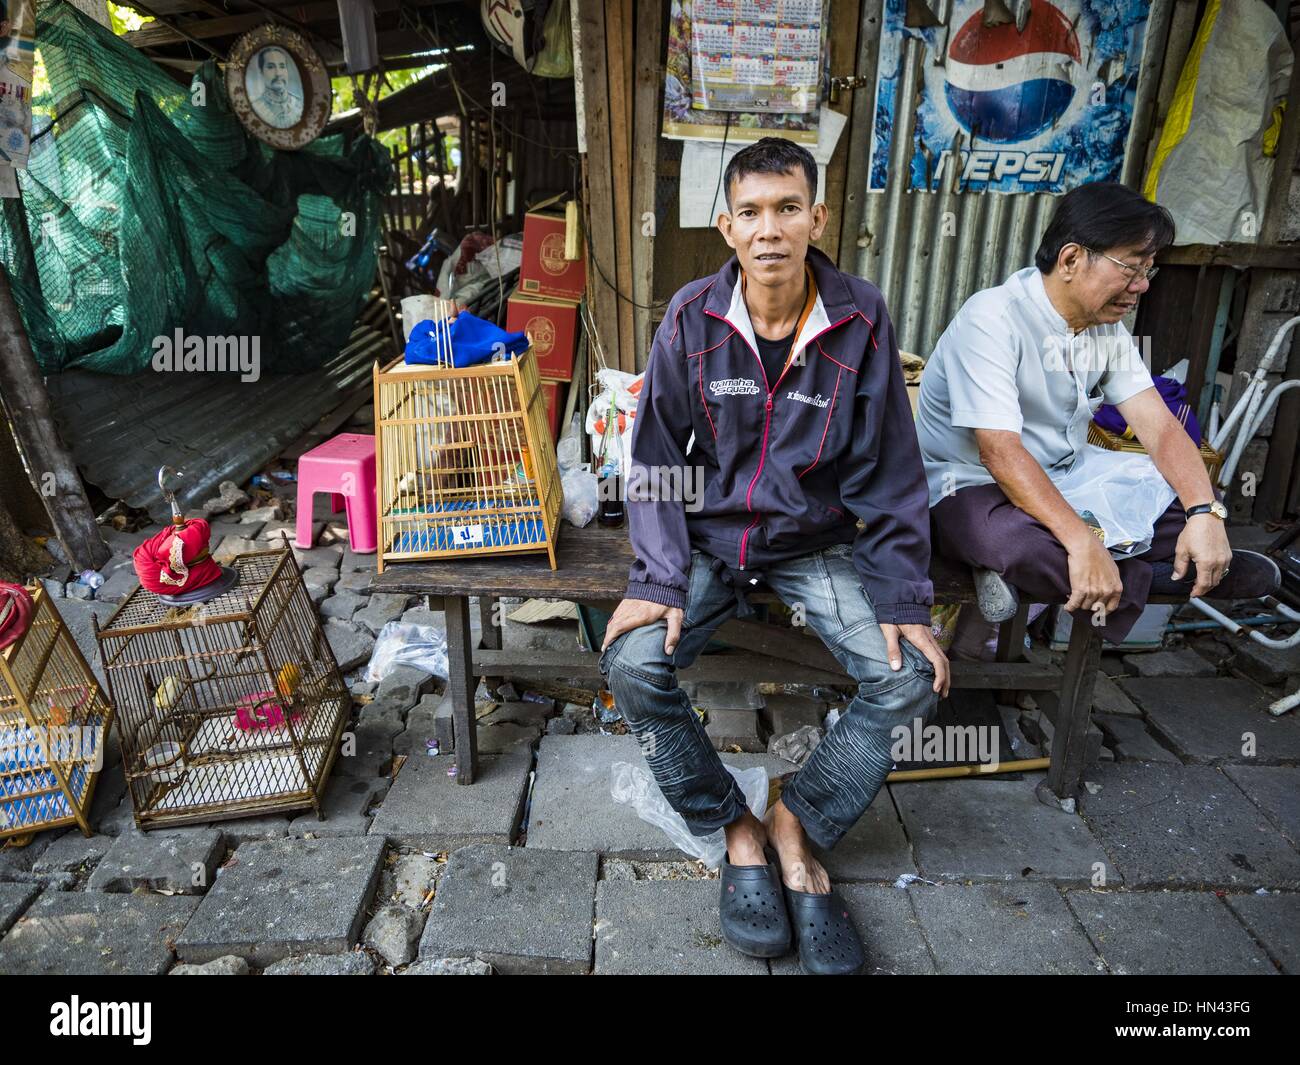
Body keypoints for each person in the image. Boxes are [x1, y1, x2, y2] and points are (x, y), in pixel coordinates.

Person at [598, 137, 947, 975]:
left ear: (817, 217)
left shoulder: (861, 317)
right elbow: (653, 460)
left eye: (788, 208)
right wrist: (656, 575)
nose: (770, 230)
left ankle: (799, 824)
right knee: (631, 663)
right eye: (751, 212)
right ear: (725, 225)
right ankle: (734, 827)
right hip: (712, 538)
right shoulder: (691, 317)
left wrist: (902, 598)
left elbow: (895, 471)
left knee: (911, 677)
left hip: (811, 543)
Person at [917, 181, 1279, 646]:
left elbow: (1161, 429)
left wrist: (1205, 513)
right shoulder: (992, 318)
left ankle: (1053, 571)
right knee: (1012, 541)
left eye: (1149, 270)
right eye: (1131, 267)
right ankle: (1153, 577)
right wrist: (1082, 541)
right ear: (1070, 259)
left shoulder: (1103, 330)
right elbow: (999, 453)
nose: (1142, 286)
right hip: (968, 487)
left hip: (1064, 480)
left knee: (1171, 505)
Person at [250, 47, 302, 129]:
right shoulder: (255, 108)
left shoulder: (299, 104)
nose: (278, 73)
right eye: (270, 67)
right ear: (261, 72)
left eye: (282, 66)